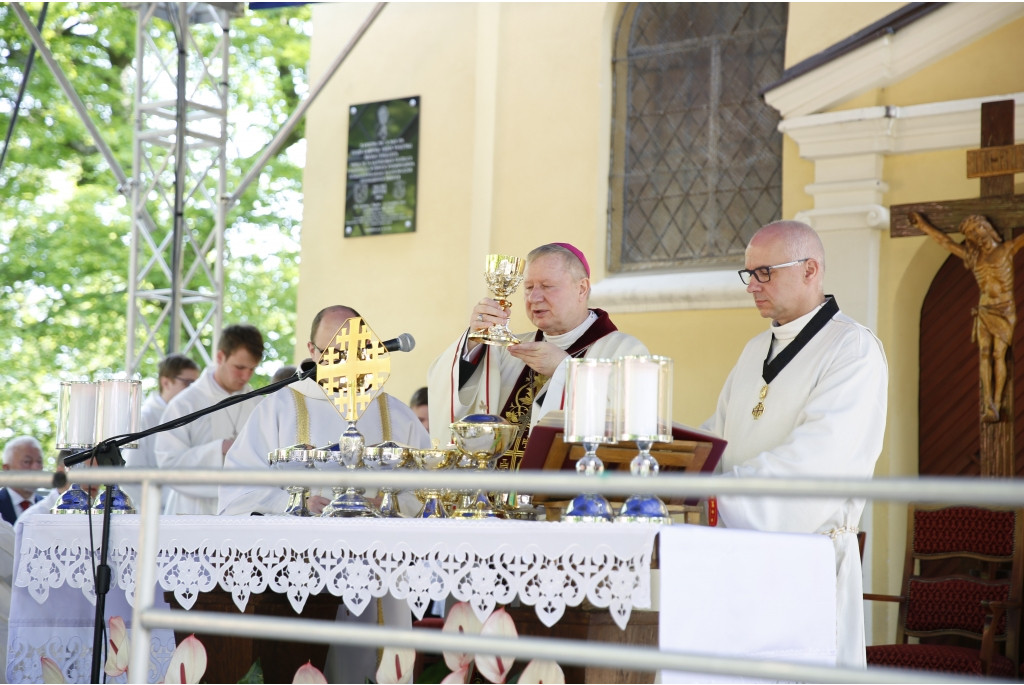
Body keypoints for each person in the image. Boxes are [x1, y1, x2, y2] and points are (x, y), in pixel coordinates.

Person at [701, 220, 888, 669]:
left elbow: (819, 462)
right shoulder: (753, 351)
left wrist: (716, 496)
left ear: (810, 270)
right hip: (738, 557)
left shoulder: (852, 349)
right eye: (749, 274)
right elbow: (716, 440)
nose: (752, 287)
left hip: (805, 561)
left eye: (765, 272)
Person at [218, 305, 430, 684]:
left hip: (378, 574)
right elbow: (237, 489)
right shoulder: (278, 409)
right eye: (333, 347)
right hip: (297, 574)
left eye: (355, 345)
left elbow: (429, 493)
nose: (345, 357)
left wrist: (390, 504)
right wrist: (293, 505)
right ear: (312, 351)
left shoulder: (396, 414)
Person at [428, 243, 648, 467]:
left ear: (581, 289)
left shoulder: (625, 353)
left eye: (547, 286)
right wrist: (474, 342)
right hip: (494, 494)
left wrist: (564, 369)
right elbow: (450, 390)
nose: (534, 297)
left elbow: (629, 429)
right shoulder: (510, 349)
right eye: (528, 287)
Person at [910, 211, 1024, 423]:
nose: (975, 235)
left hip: (1004, 309)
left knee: (999, 355)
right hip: (984, 308)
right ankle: (988, 403)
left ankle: (998, 402)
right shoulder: (974, 258)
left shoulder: (1006, 249)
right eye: (970, 233)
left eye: (977, 229)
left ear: (987, 228)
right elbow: (945, 242)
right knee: (984, 353)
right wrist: (923, 226)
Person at [155, 324, 264, 515]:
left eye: (252, 369)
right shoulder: (185, 404)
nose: (246, 376)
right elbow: (168, 462)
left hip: (243, 511)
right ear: (220, 357)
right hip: (192, 511)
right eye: (239, 367)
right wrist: (218, 448)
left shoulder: (259, 404)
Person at [121, 354, 201, 509]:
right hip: (155, 515)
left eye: (197, 385)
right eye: (188, 383)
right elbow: (129, 475)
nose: (194, 391)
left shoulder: (194, 417)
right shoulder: (144, 419)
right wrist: (160, 505)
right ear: (166, 382)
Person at [0, 437, 44, 525]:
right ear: (7, 469)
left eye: (39, 462)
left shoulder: (47, 507)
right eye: (27, 462)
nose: (36, 468)